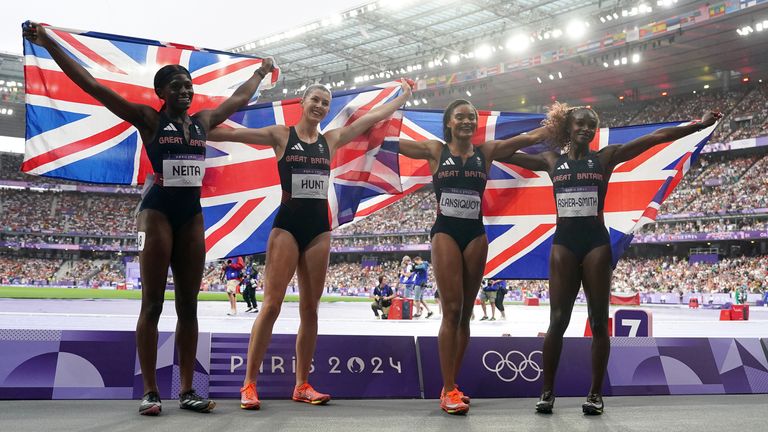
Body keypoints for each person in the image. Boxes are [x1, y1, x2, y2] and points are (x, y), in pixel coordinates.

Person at [23, 22, 274, 416]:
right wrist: (49, 42)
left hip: (191, 214)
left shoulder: (203, 122)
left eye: (189, 85)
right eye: (177, 86)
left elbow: (239, 99)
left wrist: (261, 72)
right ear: (161, 93)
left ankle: (189, 389)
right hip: (156, 212)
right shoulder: (148, 119)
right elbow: (92, 86)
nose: (186, 91)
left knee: (188, 304)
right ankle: (151, 391)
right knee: (153, 304)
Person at [503, 102, 720, 415]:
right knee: (557, 322)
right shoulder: (551, 160)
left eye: (591, 125)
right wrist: (538, 134)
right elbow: (503, 154)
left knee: (598, 321)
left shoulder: (604, 158)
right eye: (579, 124)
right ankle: (547, 391)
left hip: (595, 244)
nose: (586, 130)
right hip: (563, 244)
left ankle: (594, 394)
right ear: (568, 128)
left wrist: (698, 126)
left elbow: (655, 138)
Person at [208, 79, 412, 410]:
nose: (319, 106)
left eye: (325, 103)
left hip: (319, 228)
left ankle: (302, 384)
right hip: (287, 226)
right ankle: (249, 383)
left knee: (310, 309)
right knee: (271, 305)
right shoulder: (280, 135)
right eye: (315, 100)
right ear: (303, 102)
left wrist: (401, 97)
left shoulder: (330, 140)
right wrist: (195, 128)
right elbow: (230, 134)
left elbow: (369, 120)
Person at [398, 99, 549, 414]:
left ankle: (449, 385)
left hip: (476, 234)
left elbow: (531, 139)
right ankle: (449, 388)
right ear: (449, 123)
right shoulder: (436, 150)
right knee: (451, 310)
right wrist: (365, 128)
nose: (467, 121)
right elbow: (390, 145)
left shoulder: (488, 151)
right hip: (445, 233)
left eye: (471, 117)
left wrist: (563, 121)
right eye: (460, 117)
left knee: (466, 313)